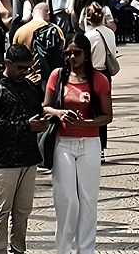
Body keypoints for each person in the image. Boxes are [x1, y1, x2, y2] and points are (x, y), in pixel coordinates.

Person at [44, 33, 113, 254]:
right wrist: (59, 113)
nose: (72, 57)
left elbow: (107, 116)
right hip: (63, 142)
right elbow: (45, 106)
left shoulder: (99, 80)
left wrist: (86, 123)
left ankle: (86, 249)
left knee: (88, 200)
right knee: (67, 199)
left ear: (86, 54)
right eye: (68, 53)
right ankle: (63, 249)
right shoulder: (58, 75)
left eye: (77, 53)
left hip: (90, 143)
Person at [0, 45, 47, 254]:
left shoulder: (31, 87)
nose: (25, 72)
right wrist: (27, 126)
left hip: (28, 157)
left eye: (28, 68)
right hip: (4, 160)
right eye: (21, 68)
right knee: (1, 211)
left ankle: (18, 249)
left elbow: (39, 110)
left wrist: (44, 120)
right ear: (8, 63)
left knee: (23, 211)